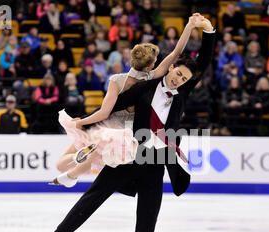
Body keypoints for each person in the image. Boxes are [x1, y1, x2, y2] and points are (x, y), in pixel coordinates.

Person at [45, 17, 216, 232]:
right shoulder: (146, 87)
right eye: (177, 73)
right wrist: (84, 122)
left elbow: (204, 62)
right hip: (129, 153)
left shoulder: (181, 93)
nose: (179, 78)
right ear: (171, 67)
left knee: (148, 218)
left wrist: (208, 32)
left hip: (156, 161)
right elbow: (113, 108)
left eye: (184, 78)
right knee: (95, 194)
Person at [53, 15, 206, 188]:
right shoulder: (150, 78)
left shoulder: (117, 80)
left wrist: (80, 122)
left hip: (104, 123)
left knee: (61, 164)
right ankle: (76, 171)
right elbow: (176, 52)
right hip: (124, 131)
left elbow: (104, 112)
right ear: (149, 66)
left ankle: (76, 161)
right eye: (155, 62)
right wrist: (189, 26)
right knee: (101, 155)